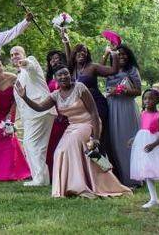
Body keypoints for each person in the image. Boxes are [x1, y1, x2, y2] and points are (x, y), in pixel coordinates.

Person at [16, 68, 132, 198]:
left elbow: (94, 112)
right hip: (73, 126)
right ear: (55, 78)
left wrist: (96, 138)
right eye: (60, 74)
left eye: (66, 73)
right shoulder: (55, 95)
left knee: (70, 145)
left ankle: (79, 186)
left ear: (70, 75)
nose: (63, 76)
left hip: (88, 123)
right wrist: (25, 97)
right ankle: (68, 187)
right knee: (59, 152)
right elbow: (39, 107)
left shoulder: (80, 88)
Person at [61, 28, 118, 162]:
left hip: (97, 106)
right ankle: (88, 171)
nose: (82, 54)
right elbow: (68, 55)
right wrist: (66, 40)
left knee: (96, 138)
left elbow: (113, 70)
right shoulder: (72, 69)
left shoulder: (93, 67)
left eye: (85, 52)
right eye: (79, 52)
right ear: (75, 55)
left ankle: (104, 171)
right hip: (82, 109)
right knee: (85, 138)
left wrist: (113, 52)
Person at [10, 46, 56, 186]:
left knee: (30, 144)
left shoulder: (31, 62)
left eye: (17, 53)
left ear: (24, 54)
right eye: (11, 55)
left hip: (39, 111)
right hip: (32, 115)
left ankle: (39, 178)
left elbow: (30, 66)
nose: (14, 56)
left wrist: (25, 62)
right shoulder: (19, 76)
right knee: (37, 146)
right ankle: (42, 178)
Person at [0, 57, 31, 181]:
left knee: (8, 136)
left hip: (9, 110)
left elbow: (16, 98)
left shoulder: (12, 78)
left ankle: (13, 170)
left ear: (3, 66)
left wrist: (10, 114)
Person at [104, 44, 142, 188]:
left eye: (124, 54)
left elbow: (138, 91)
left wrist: (121, 90)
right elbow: (96, 71)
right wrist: (107, 53)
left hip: (126, 107)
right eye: (118, 54)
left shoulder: (131, 70)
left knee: (126, 142)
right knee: (113, 142)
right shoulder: (110, 70)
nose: (122, 56)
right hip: (111, 106)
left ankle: (133, 178)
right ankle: (118, 177)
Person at [45, 50, 69, 175]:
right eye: (51, 59)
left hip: (72, 119)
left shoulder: (73, 83)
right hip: (55, 118)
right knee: (53, 145)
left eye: (57, 58)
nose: (54, 60)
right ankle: (54, 173)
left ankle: (66, 172)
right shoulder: (49, 80)